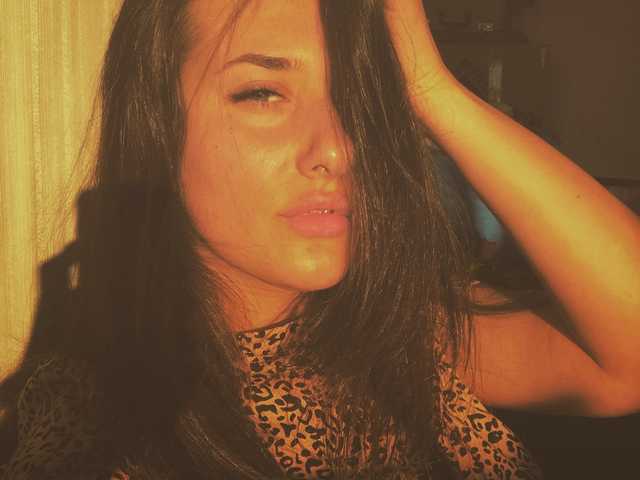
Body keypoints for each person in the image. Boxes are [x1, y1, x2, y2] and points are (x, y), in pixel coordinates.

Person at [1, 1, 639, 479]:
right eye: (262, 93)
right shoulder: (100, 409)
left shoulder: (406, 333)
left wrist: (431, 88)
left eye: (355, 100)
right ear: (157, 128)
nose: (338, 148)